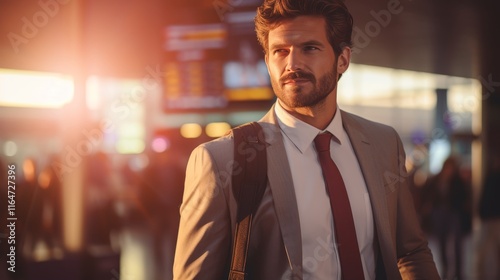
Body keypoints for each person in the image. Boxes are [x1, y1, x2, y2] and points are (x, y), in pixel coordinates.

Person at [173, 0, 440, 279]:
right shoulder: (222, 160)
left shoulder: (383, 143)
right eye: (280, 51)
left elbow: (410, 252)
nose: (292, 64)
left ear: (343, 60)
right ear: (267, 61)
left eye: (309, 48)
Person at [420, 156, 470, 279]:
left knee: (457, 244)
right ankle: (446, 271)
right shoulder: (437, 179)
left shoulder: (457, 181)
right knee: (441, 243)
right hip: (440, 213)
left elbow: (463, 197)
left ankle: (458, 272)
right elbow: (428, 193)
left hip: (453, 213)